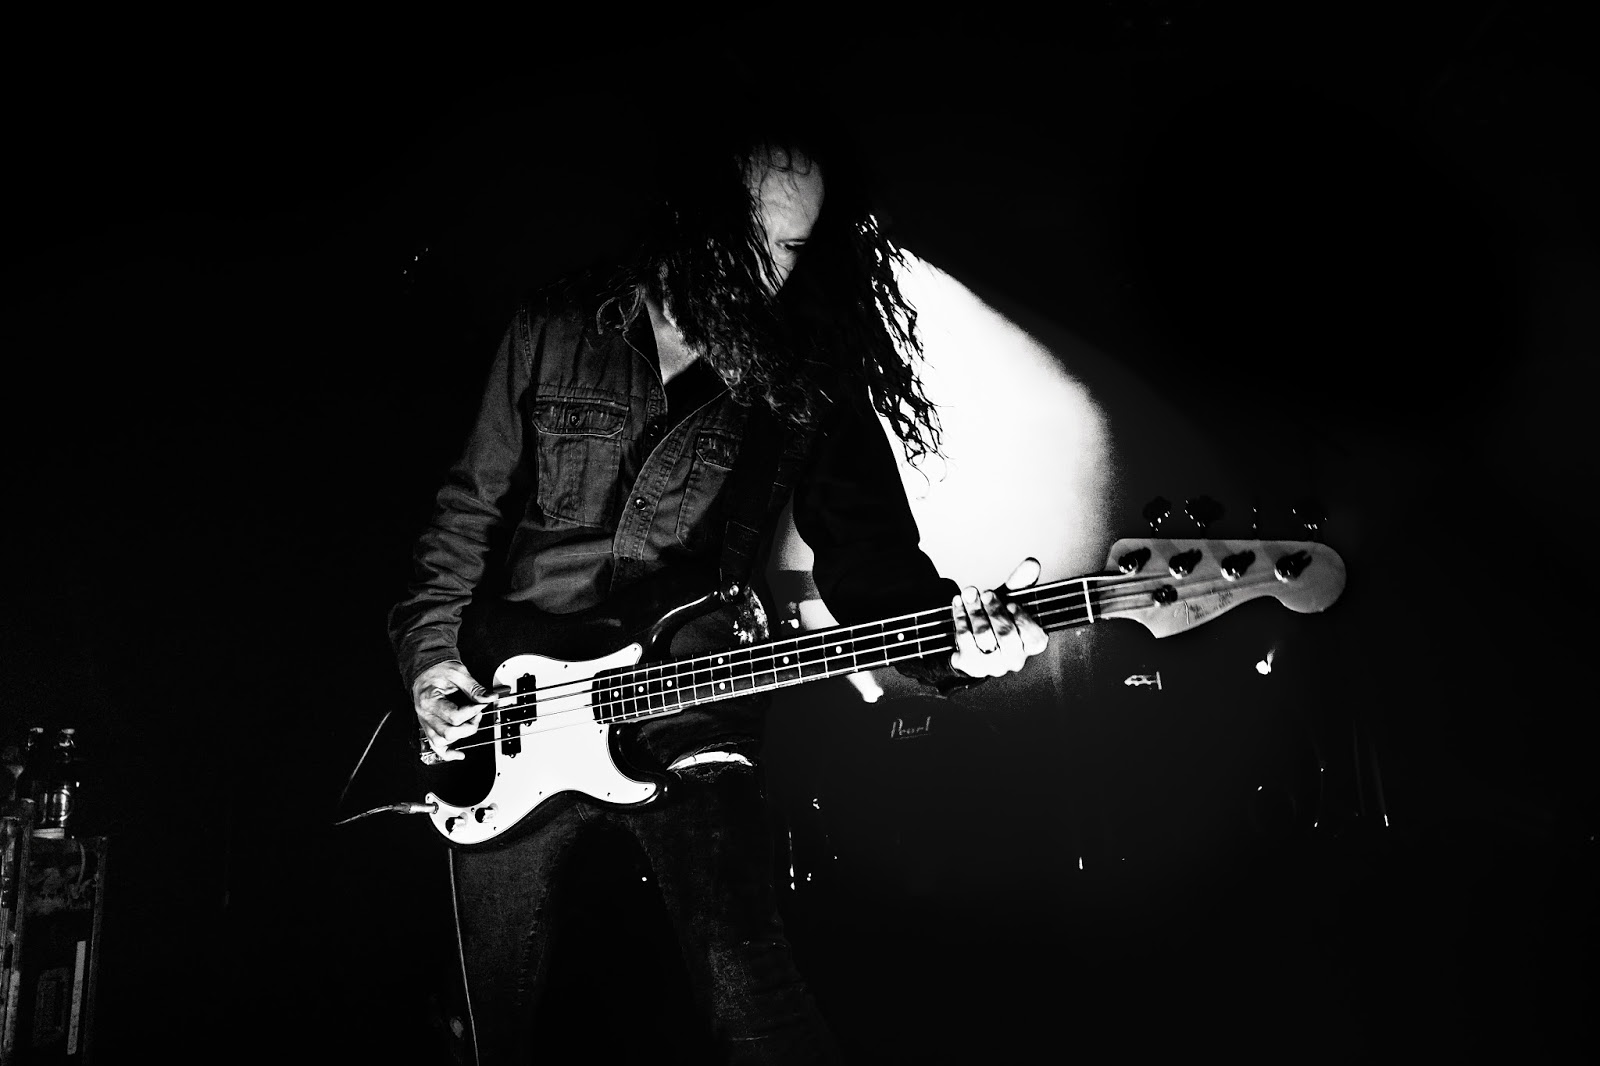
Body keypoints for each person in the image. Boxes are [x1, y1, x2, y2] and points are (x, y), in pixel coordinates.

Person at [387, 108, 1049, 1064]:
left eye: (794, 248)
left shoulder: (809, 374)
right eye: (755, 238)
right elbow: (464, 515)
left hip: (690, 699)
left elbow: (872, 565)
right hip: (510, 704)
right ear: (691, 215)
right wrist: (432, 662)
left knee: (755, 999)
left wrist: (958, 647)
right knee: (488, 1024)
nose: (773, 270)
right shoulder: (555, 324)